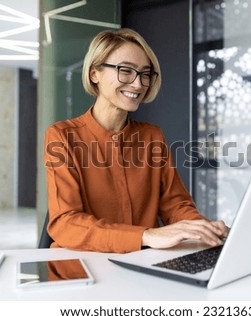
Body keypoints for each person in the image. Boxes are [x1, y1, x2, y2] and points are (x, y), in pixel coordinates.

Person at [44, 28, 228, 253]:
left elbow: (175, 204)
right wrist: (145, 235)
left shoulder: (152, 137)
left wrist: (199, 228)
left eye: (145, 74)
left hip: (141, 265)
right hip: (83, 267)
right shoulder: (62, 137)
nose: (138, 84)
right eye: (126, 71)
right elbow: (66, 223)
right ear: (95, 74)